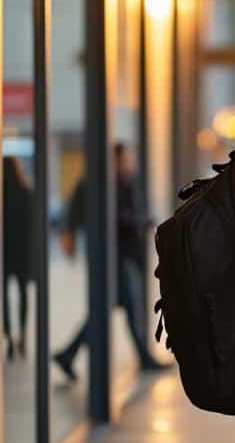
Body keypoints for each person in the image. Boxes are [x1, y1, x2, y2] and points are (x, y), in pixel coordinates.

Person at [52, 142, 167, 379]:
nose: (129, 162)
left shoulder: (122, 182)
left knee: (106, 310)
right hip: (115, 257)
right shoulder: (100, 184)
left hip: (122, 256)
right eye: (125, 158)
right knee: (128, 309)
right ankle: (143, 358)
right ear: (114, 160)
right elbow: (110, 219)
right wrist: (141, 222)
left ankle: (68, 353)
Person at [2, 155, 35, 359]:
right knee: (23, 294)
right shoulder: (26, 193)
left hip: (4, 252)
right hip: (22, 252)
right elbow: (31, 227)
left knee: (3, 296)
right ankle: (22, 335)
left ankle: (9, 338)